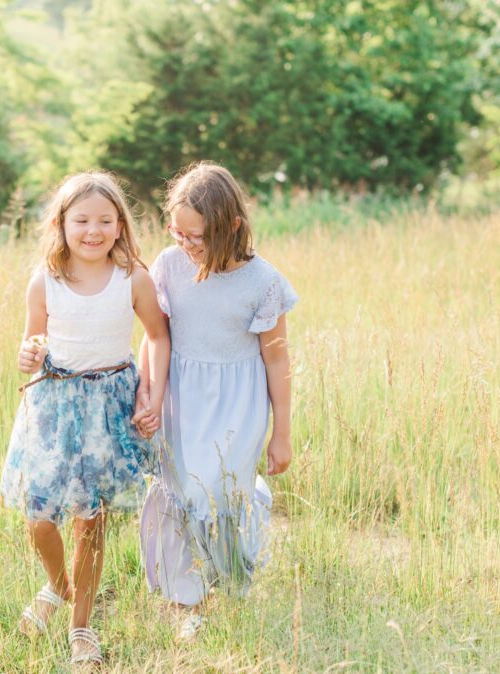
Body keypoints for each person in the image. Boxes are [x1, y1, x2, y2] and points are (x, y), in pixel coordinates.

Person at [0, 171, 170, 667]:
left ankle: (81, 624)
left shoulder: (132, 278)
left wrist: (150, 394)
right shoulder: (45, 279)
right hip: (53, 405)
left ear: (120, 225)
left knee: (89, 522)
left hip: (108, 406)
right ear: (62, 224)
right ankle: (57, 586)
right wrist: (27, 355)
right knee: (39, 518)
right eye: (81, 220)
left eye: (104, 220)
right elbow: (34, 341)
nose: (92, 230)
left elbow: (158, 336)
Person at [134, 161, 297, 640]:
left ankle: (230, 574)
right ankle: (189, 599)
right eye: (177, 233)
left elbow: (277, 363)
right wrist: (148, 391)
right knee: (180, 491)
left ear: (231, 227)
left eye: (196, 237)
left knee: (220, 492)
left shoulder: (261, 282)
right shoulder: (168, 265)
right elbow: (153, 336)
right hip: (181, 398)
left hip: (237, 403)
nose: (185, 245)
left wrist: (281, 433)